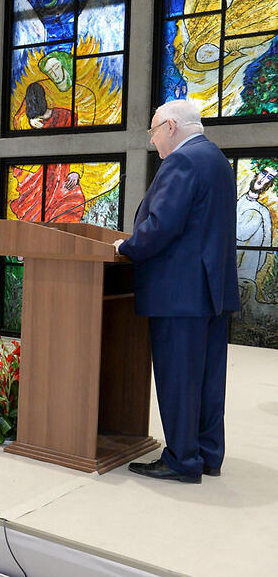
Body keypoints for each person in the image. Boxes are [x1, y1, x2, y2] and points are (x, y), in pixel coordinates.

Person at [112, 99, 238, 484]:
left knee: (180, 377)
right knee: (208, 378)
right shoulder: (216, 159)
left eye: (152, 132)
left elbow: (162, 225)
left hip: (180, 293)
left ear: (169, 126)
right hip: (212, 290)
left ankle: (183, 459)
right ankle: (208, 453)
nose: (152, 142)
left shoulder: (182, 161)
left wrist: (127, 247)